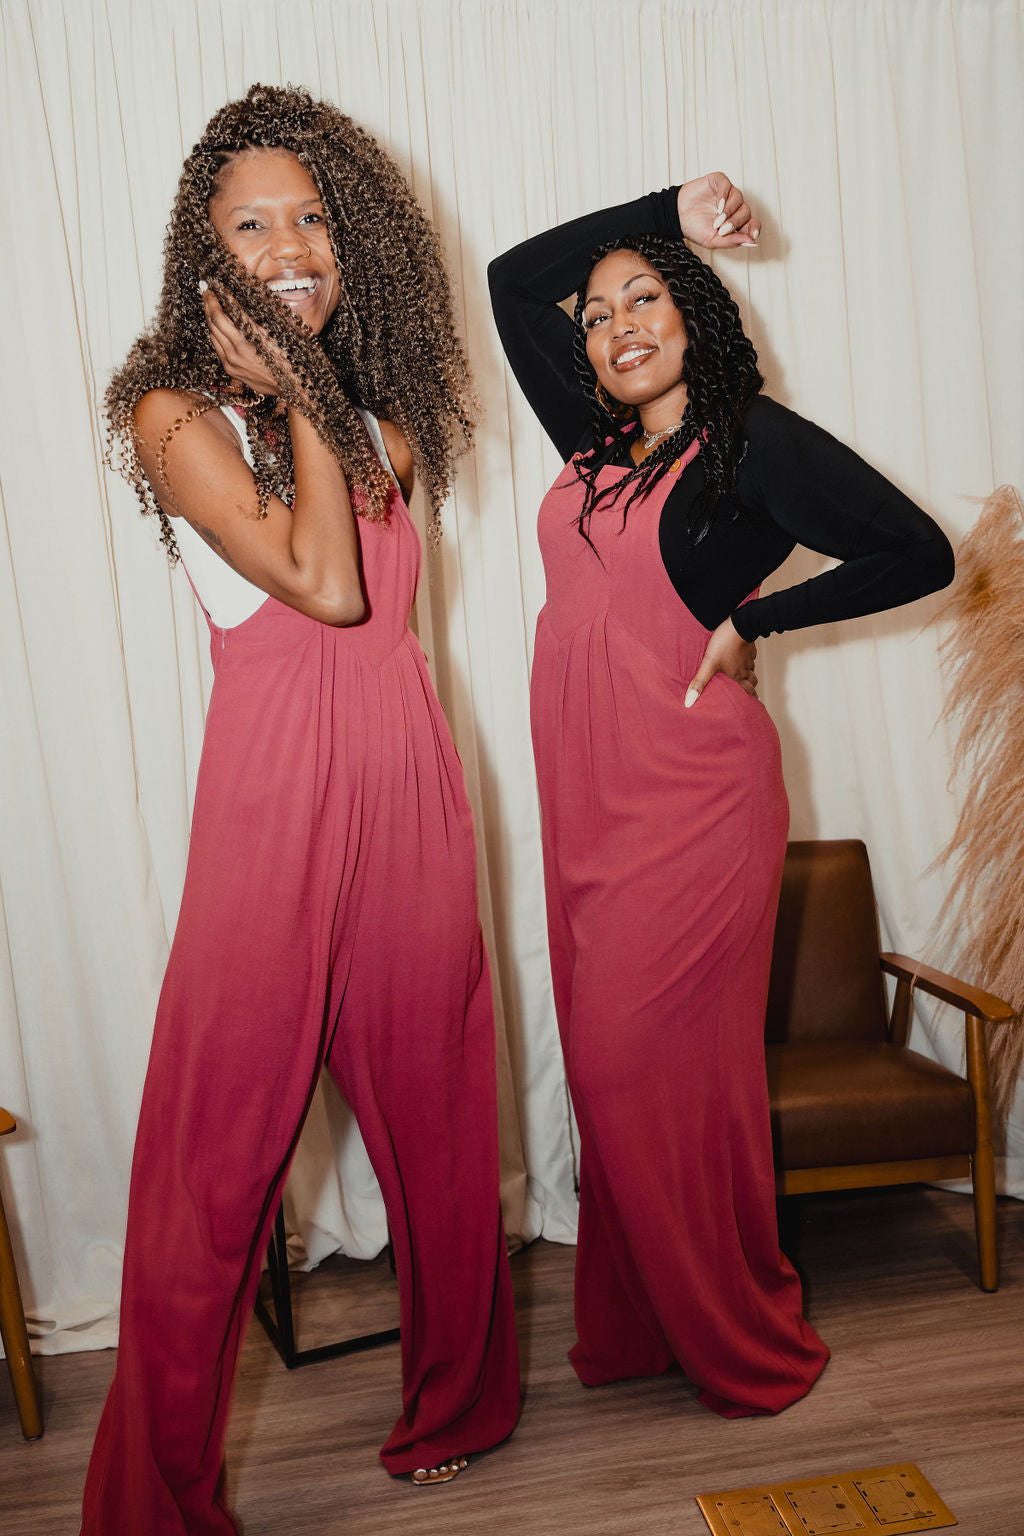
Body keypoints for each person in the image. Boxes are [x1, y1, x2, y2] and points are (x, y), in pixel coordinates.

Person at [82, 84, 518, 1535]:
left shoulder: (383, 413)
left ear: (356, 240)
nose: (290, 242)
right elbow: (327, 590)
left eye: (314, 216)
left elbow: (383, 624)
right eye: (252, 219)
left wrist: (325, 402)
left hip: (404, 776)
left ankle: (460, 1397)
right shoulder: (171, 412)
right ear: (201, 253)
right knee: (210, 1163)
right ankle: (152, 1498)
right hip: (273, 799)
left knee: (444, 1118)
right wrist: (303, 401)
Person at [488, 177, 954, 1417]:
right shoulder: (590, 444)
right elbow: (507, 280)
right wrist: (661, 211)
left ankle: (740, 1326)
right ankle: (644, 1327)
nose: (616, 325)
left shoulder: (750, 440)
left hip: (694, 799)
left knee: (645, 1065)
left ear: (694, 314)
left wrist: (757, 616)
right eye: (595, 313)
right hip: (585, 801)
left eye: (646, 297)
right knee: (608, 1073)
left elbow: (921, 550)